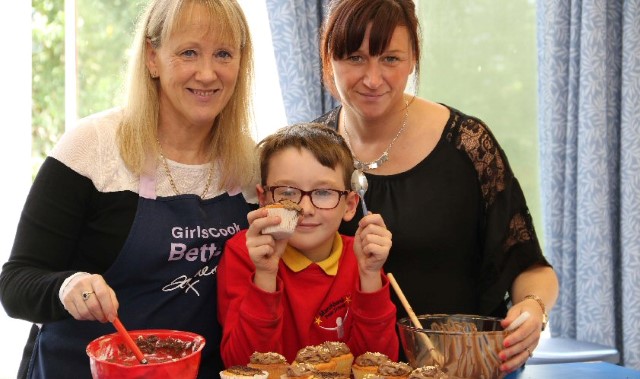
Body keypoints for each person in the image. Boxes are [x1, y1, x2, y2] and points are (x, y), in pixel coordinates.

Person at [0, 0, 257, 378]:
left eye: (223, 53)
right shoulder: (93, 147)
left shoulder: (251, 162)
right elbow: (16, 284)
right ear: (153, 58)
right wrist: (68, 287)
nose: (207, 73)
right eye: (189, 52)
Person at [314, 0, 559, 374]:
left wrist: (533, 308)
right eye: (355, 58)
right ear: (329, 57)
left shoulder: (470, 146)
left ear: (413, 58)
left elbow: (530, 267)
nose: (373, 78)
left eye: (390, 59)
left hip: (464, 366)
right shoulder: (309, 153)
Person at [217, 123, 398, 366]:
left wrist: (370, 275)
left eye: (323, 192)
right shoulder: (246, 253)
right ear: (262, 199)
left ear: (351, 205)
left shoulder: (362, 257)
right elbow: (242, 366)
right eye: (288, 192)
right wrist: (265, 275)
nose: (306, 209)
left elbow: (379, 366)